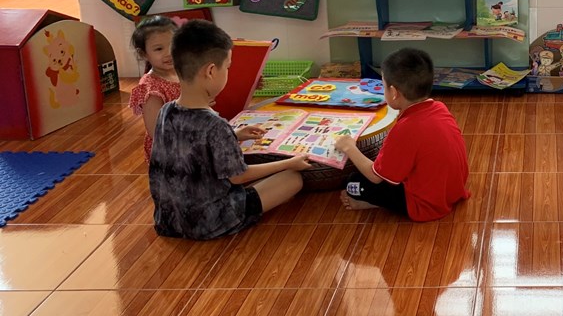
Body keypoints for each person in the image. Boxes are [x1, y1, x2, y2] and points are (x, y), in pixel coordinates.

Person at [149, 20, 309, 240]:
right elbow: (239, 177)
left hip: (169, 220)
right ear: (211, 71)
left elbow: (189, 145)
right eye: (227, 67)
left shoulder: (166, 110)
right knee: (292, 179)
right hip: (211, 222)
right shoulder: (215, 125)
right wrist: (289, 163)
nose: (228, 72)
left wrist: (235, 135)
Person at [336, 48, 470, 221]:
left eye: (383, 85)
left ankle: (372, 203)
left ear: (394, 92)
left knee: (352, 182)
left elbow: (375, 177)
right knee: (384, 167)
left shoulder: (405, 129)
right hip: (452, 190)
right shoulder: (439, 108)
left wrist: (349, 147)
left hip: (425, 203)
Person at [128, 16, 180, 163]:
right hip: (169, 150)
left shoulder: (182, 72)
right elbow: (155, 131)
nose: (169, 53)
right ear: (144, 54)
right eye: (159, 49)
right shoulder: (151, 88)